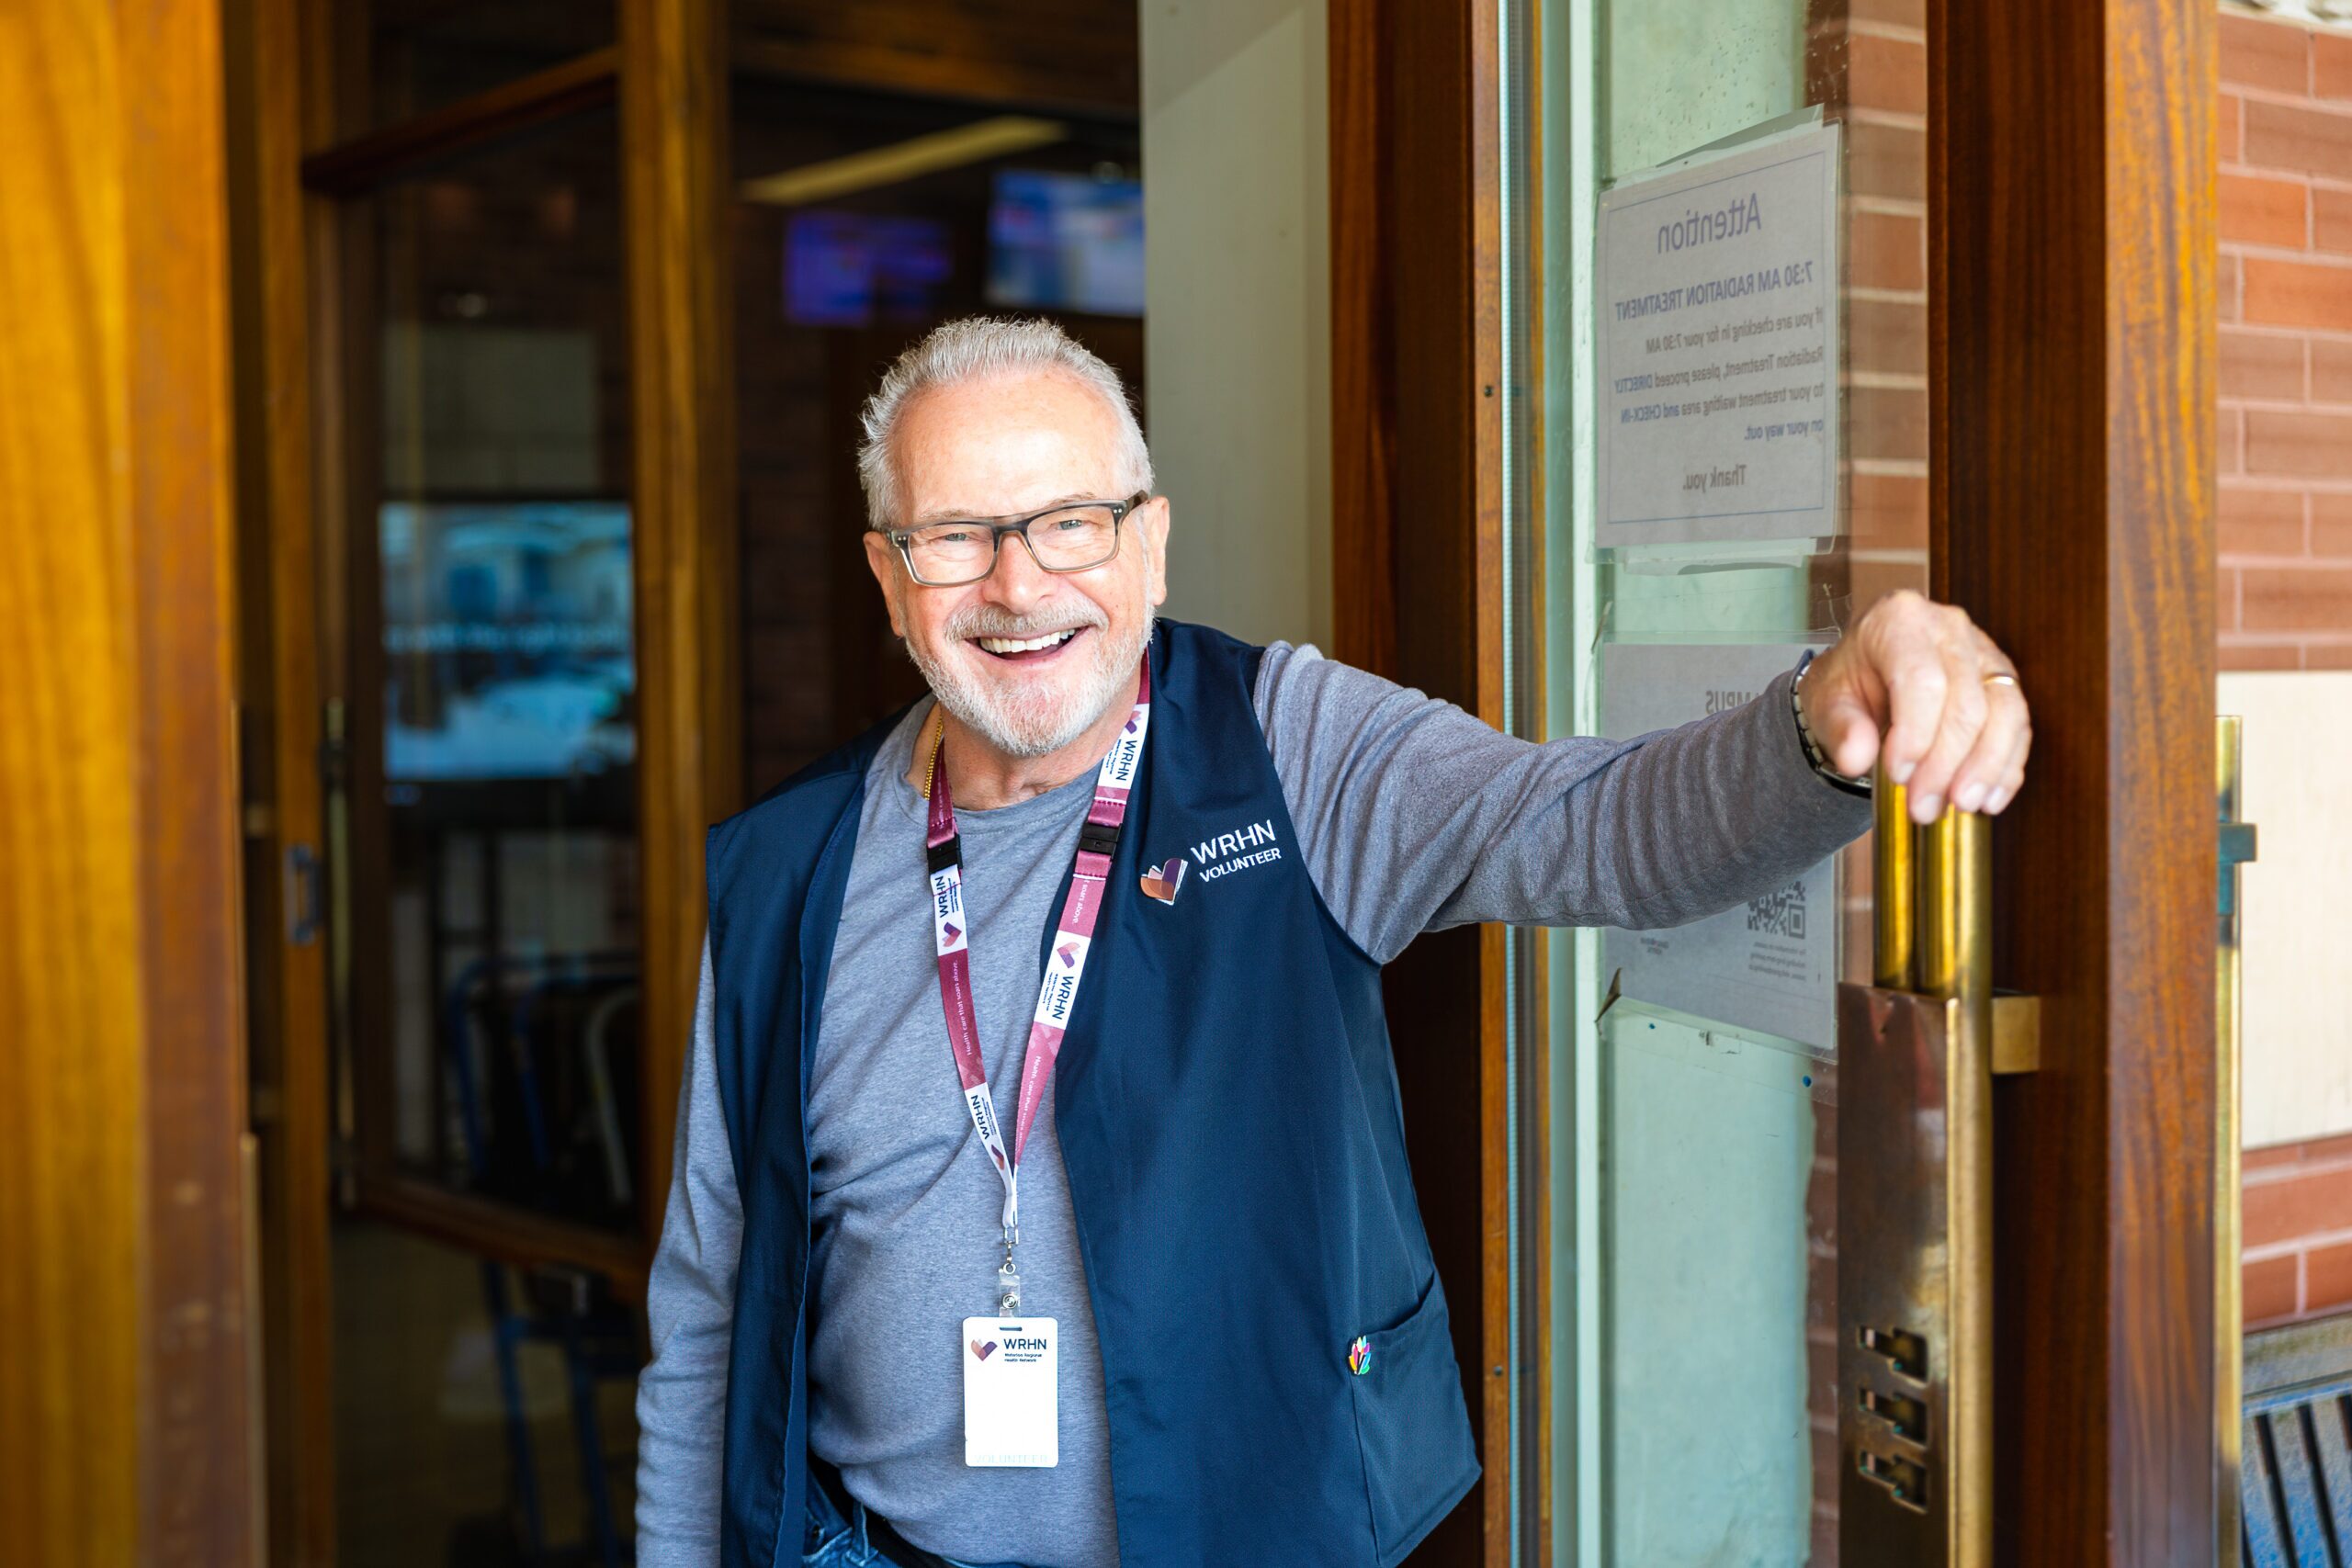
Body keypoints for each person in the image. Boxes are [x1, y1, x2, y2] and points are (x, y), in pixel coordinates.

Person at [634, 318, 2031, 1568]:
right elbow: (709, 1300)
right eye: (956, 537)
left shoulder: (1286, 743)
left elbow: (1587, 824)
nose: (1018, 585)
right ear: (890, 578)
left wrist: (1820, 717)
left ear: (1151, 541)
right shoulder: (784, 869)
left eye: (1070, 521)